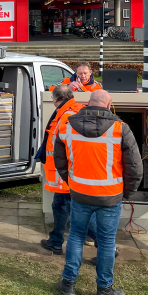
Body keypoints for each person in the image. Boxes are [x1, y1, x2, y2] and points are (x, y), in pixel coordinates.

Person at [53, 89, 142, 295]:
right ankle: (104, 290)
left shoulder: (66, 125)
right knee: (106, 241)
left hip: (80, 193)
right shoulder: (121, 128)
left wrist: (72, 183)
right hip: (110, 196)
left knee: (75, 236)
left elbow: (60, 161)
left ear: (88, 103)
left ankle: (68, 283)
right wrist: (125, 192)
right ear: (109, 105)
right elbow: (135, 167)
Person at [38, 85, 97, 254]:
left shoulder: (67, 114)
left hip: (67, 173)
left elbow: (67, 145)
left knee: (75, 211)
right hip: (66, 172)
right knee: (62, 207)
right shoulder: (69, 111)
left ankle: (105, 244)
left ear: (56, 99)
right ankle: (56, 240)